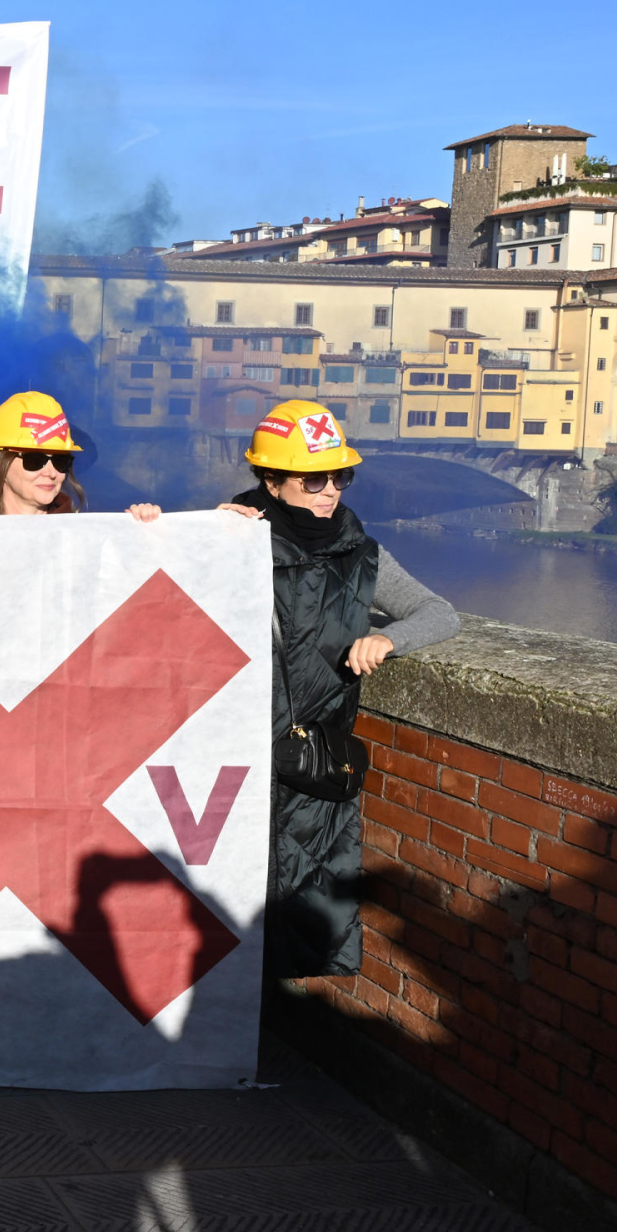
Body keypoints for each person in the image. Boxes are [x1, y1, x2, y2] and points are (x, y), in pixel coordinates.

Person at [220, 398, 457, 980]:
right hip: (233, 753)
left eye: (341, 476)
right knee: (222, 896)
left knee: (298, 907)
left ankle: (267, 1036)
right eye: (316, 478)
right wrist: (188, 529)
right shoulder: (229, 536)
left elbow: (439, 613)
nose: (332, 491)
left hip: (308, 759)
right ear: (272, 482)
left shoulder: (362, 554)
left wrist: (390, 640)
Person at [0, 392, 163, 521]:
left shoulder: (83, 535)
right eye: (34, 460)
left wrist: (144, 535)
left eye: (60, 461)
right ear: (1, 466)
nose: (51, 472)